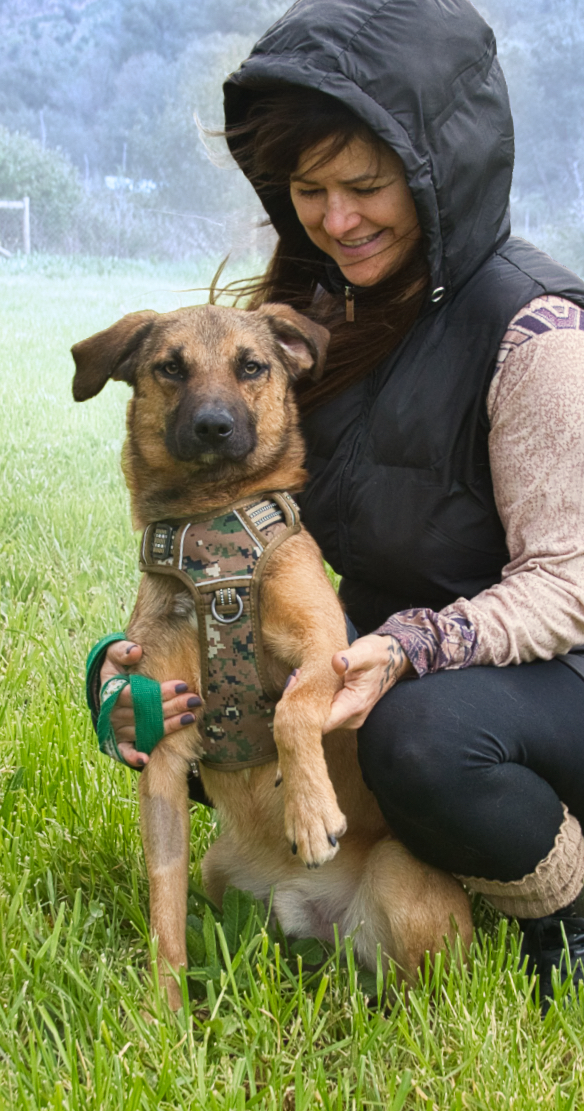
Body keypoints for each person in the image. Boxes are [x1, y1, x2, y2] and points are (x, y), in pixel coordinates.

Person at [91, 0, 584, 1004]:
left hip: (544, 675)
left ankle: (563, 910)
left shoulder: (535, 334)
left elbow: (568, 584)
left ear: (441, 172)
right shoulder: (318, 313)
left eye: (365, 186)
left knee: (417, 738)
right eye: (309, 190)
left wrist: (408, 647)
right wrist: (129, 662)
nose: (336, 219)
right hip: (383, 650)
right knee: (175, 680)